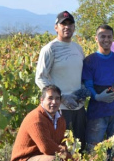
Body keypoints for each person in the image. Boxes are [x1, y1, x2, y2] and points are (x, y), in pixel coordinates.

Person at [35, 11, 86, 151]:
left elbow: (81, 75)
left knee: (80, 147)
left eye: (70, 24)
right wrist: (61, 98)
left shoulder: (78, 48)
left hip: (79, 107)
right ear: (56, 27)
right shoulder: (50, 49)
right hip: (60, 109)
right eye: (63, 24)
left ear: (74, 28)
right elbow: (40, 77)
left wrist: (82, 92)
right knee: (62, 148)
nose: (67, 27)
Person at [82, 24, 114, 154]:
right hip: (97, 110)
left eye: (109, 37)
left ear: (113, 39)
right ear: (96, 38)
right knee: (93, 146)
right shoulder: (90, 61)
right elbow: (88, 85)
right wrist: (97, 96)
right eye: (103, 36)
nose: (106, 39)